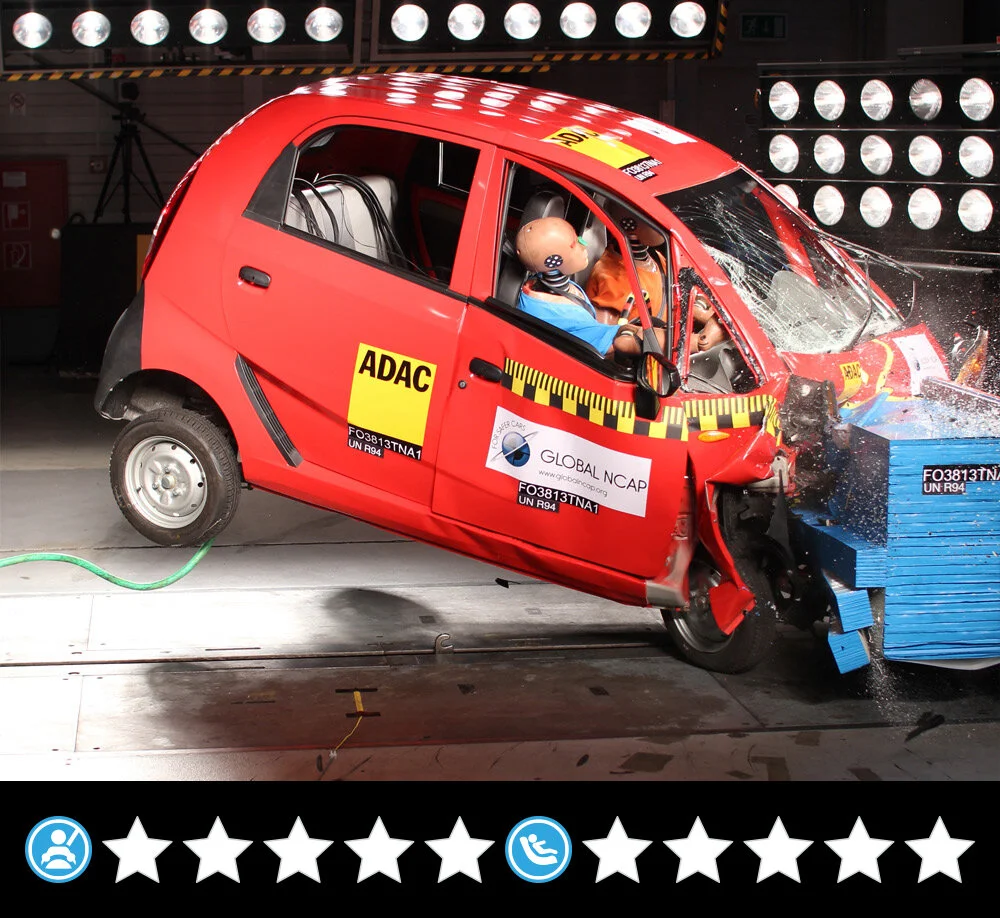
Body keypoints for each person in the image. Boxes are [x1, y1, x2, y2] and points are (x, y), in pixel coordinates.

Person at [515, 216, 666, 358]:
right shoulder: (554, 314)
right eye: (574, 244)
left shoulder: (545, 287)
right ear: (553, 261)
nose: (584, 244)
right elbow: (613, 343)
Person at [585, 203, 669, 325]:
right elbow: (605, 331)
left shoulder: (657, 259)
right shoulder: (614, 280)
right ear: (629, 223)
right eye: (655, 215)